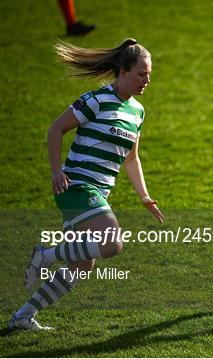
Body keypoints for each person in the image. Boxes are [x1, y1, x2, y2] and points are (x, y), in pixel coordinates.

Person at [8, 39, 164, 331]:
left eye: (149, 74)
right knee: (112, 242)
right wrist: (56, 171)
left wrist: (144, 196)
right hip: (76, 186)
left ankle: (23, 316)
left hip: (97, 192)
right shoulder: (96, 100)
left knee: (81, 266)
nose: (147, 80)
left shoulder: (137, 112)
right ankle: (45, 255)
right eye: (141, 74)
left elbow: (132, 158)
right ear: (122, 72)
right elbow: (56, 129)